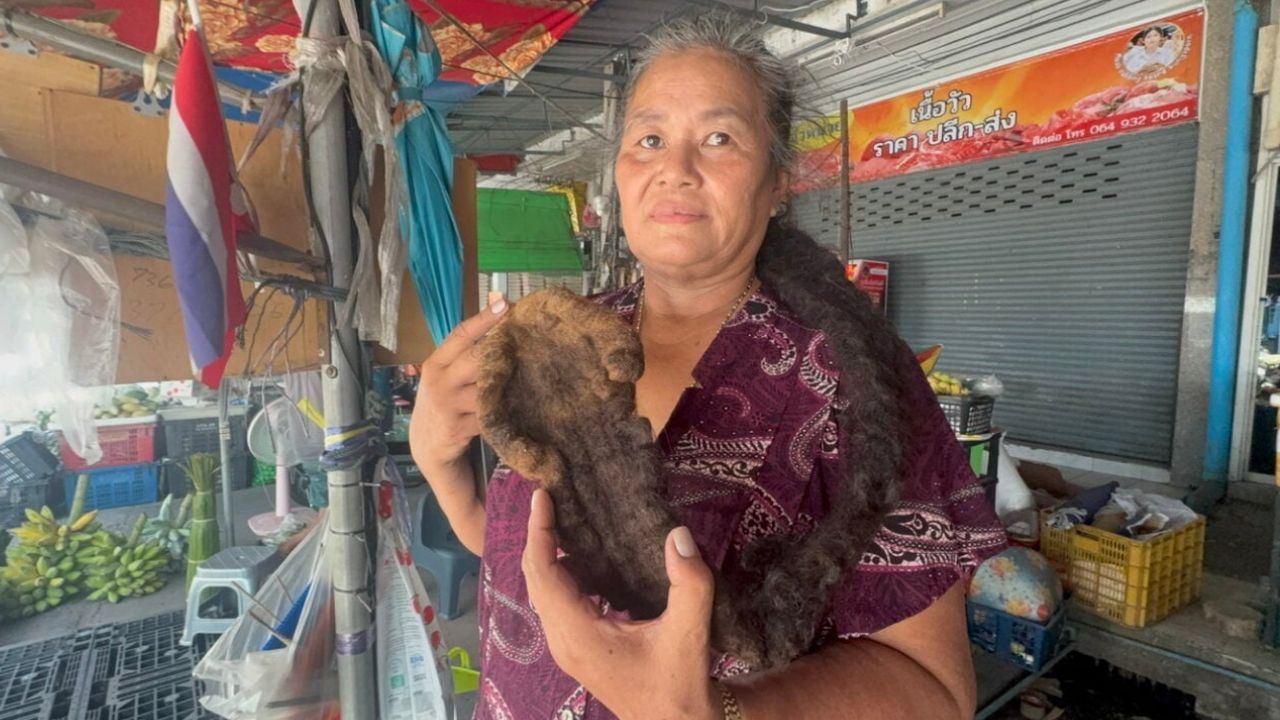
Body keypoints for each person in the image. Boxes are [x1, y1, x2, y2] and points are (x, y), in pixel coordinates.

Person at [411, 13, 1005, 720]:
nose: (675, 168)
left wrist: (715, 711)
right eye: (650, 138)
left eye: (719, 138)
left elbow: (934, 692)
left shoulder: (854, 381)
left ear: (778, 180)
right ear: (620, 173)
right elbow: (529, 559)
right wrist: (440, 465)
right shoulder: (559, 342)